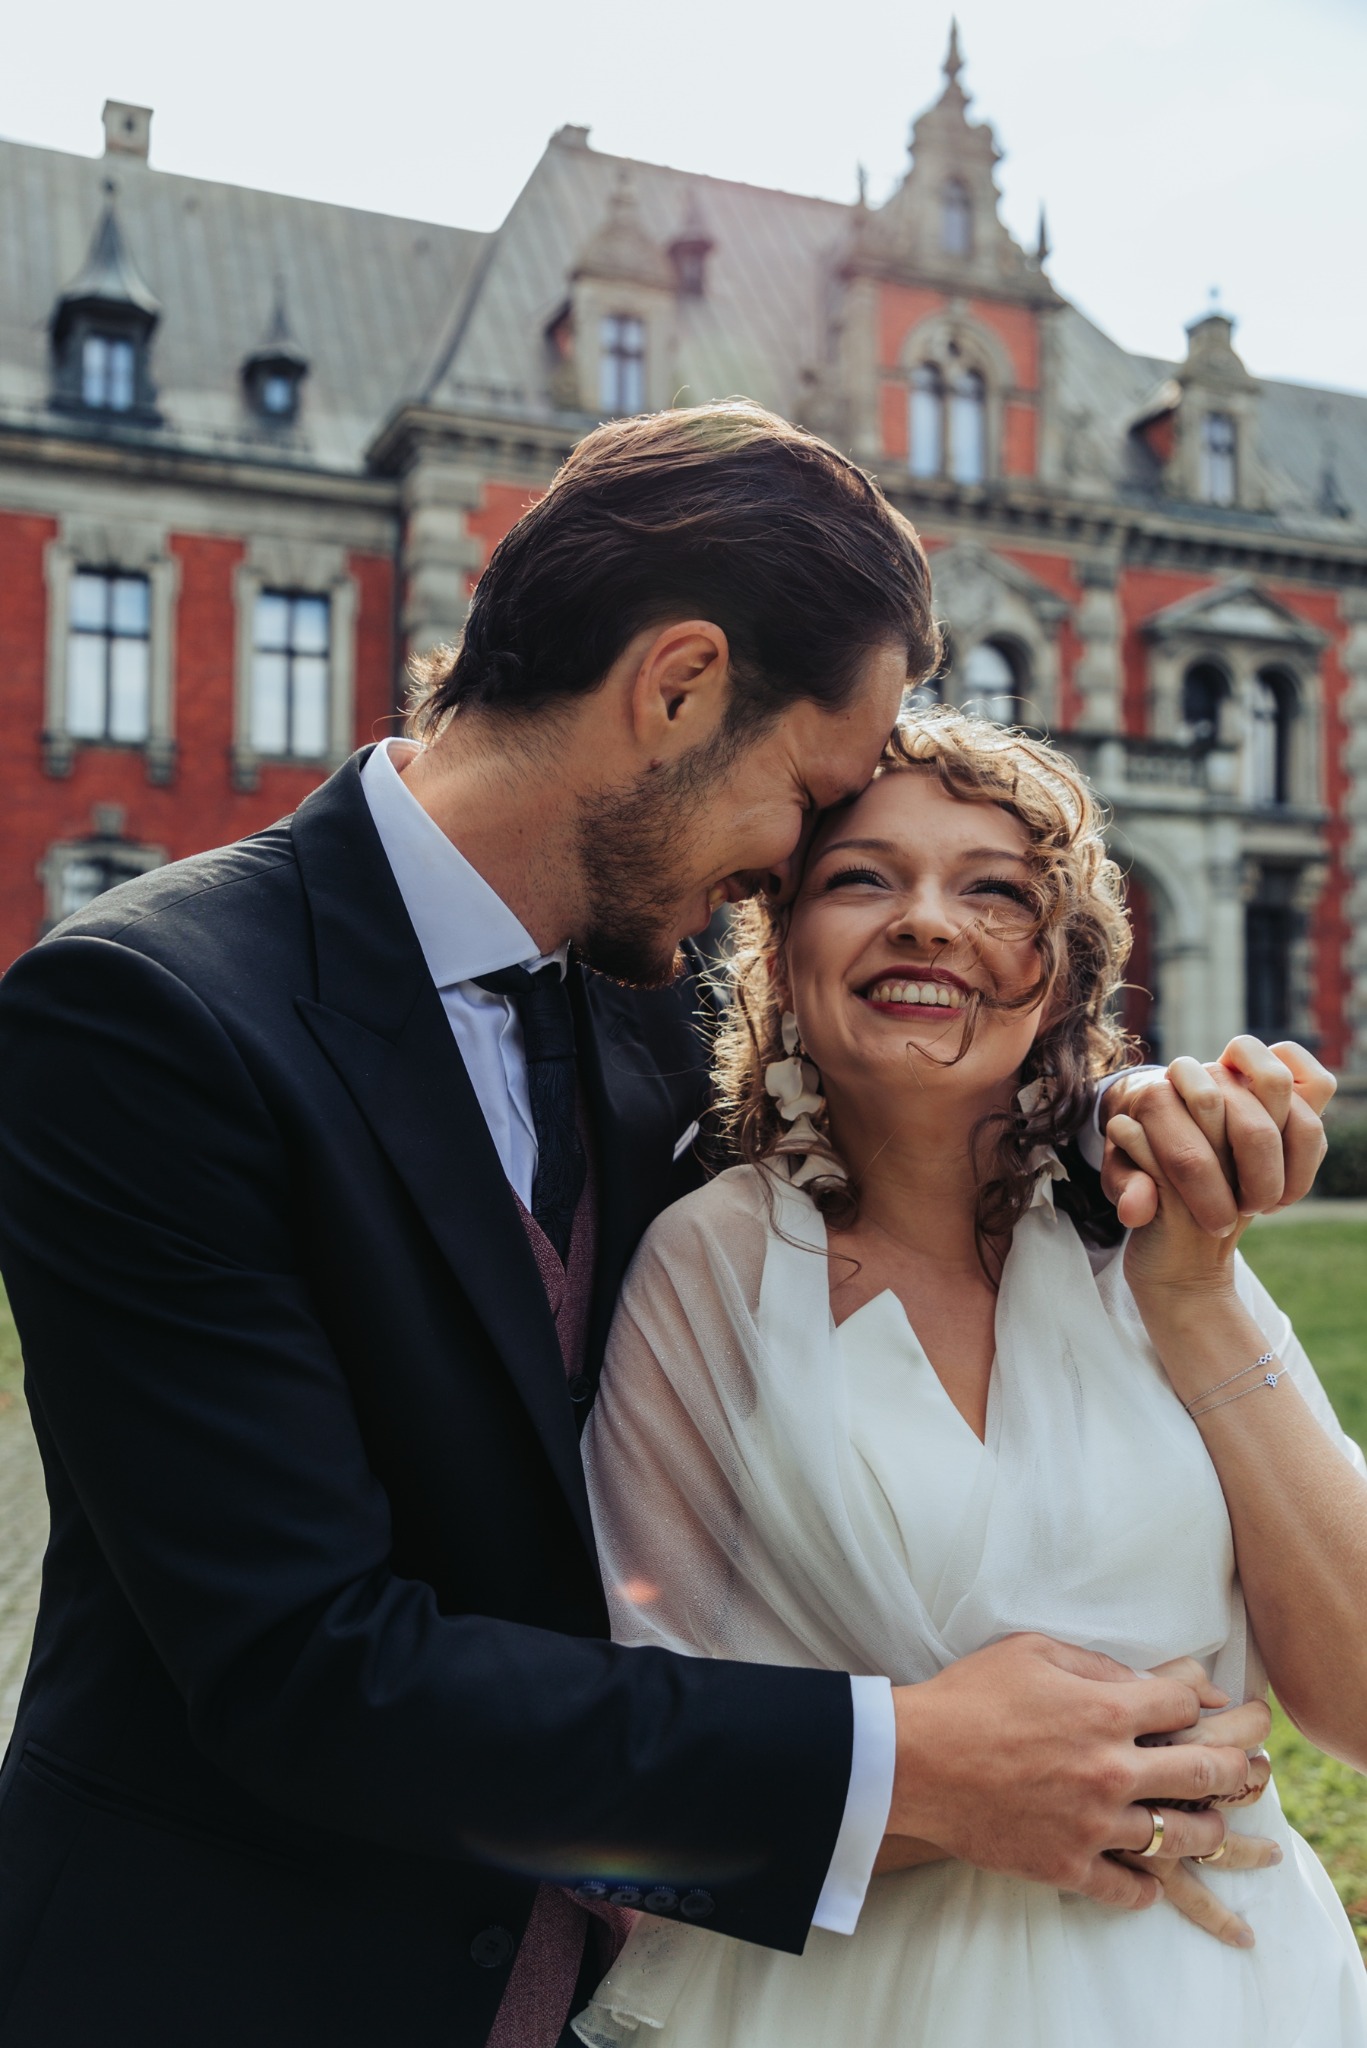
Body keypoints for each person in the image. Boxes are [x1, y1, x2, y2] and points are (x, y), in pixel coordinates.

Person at [0, 405, 1332, 2048]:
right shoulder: (146, 1018)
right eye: (808, 796)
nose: (793, 867)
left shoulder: (645, 998)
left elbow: (948, 1091)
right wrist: (916, 1766)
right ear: (679, 685)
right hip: (248, 1977)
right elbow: (300, 1666)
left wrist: (1188, 1135)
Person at [577, 706, 1367, 2048]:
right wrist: (950, 1791)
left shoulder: (1154, 1249)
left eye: (994, 890)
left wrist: (1196, 1288)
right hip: (849, 2005)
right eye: (862, 877)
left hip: (1224, 1994)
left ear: (1063, 979)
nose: (929, 921)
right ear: (782, 953)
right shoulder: (709, 1266)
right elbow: (643, 1772)